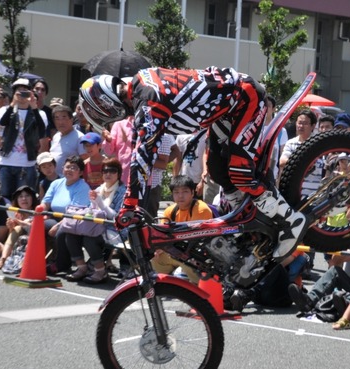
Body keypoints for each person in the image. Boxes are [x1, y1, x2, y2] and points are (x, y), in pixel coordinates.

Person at [79, 68, 306, 260]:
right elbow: (142, 143)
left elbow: (143, 155)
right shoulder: (140, 86)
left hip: (244, 97)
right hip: (224, 109)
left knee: (240, 173)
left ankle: (290, 221)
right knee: (217, 170)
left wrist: (129, 204)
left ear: (106, 102)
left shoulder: (148, 99)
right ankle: (246, 217)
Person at [151, 175, 214, 283]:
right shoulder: (169, 211)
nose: (180, 196)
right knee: (155, 258)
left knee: (188, 262)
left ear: (192, 193)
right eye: (176, 192)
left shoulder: (201, 209)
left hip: (197, 254)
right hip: (178, 250)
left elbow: (196, 239)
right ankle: (169, 283)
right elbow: (164, 235)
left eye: (185, 191)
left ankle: (193, 284)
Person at [0, 78, 47, 198]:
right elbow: (2, 122)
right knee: (5, 197)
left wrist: (34, 107)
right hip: (6, 162)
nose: (22, 95)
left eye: (25, 91)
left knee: (24, 199)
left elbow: (41, 129)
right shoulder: (5, 110)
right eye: (19, 91)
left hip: (27, 164)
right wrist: (13, 104)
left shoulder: (39, 113)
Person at [41, 155, 91, 275]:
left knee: (61, 232)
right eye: (67, 167)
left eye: (74, 168)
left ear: (80, 173)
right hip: (55, 217)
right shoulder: (56, 183)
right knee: (37, 225)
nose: (69, 170)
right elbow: (46, 202)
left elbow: (75, 212)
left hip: (75, 220)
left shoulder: (83, 187)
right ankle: (38, 259)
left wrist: (58, 225)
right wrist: (40, 213)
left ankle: (61, 264)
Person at [0, 185, 37, 270]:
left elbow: (33, 226)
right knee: (16, 229)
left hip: (34, 242)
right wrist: (11, 227)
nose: (24, 199)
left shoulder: (37, 212)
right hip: (19, 245)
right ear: (17, 200)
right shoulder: (16, 214)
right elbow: (11, 235)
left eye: (27, 195)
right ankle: (3, 258)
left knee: (19, 228)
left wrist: (18, 222)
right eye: (20, 196)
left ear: (33, 198)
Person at [49, 104, 85, 175]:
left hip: (70, 180)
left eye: (64, 117)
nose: (60, 122)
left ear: (71, 119)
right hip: (54, 179)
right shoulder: (56, 136)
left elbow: (85, 160)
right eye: (57, 118)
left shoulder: (80, 137)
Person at [278, 110, 317, 177]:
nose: (301, 126)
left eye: (305, 123)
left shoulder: (319, 143)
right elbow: (282, 162)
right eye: (299, 123)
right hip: (295, 185)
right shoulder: (291, 143)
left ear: (313, 126)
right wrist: (303, 163)